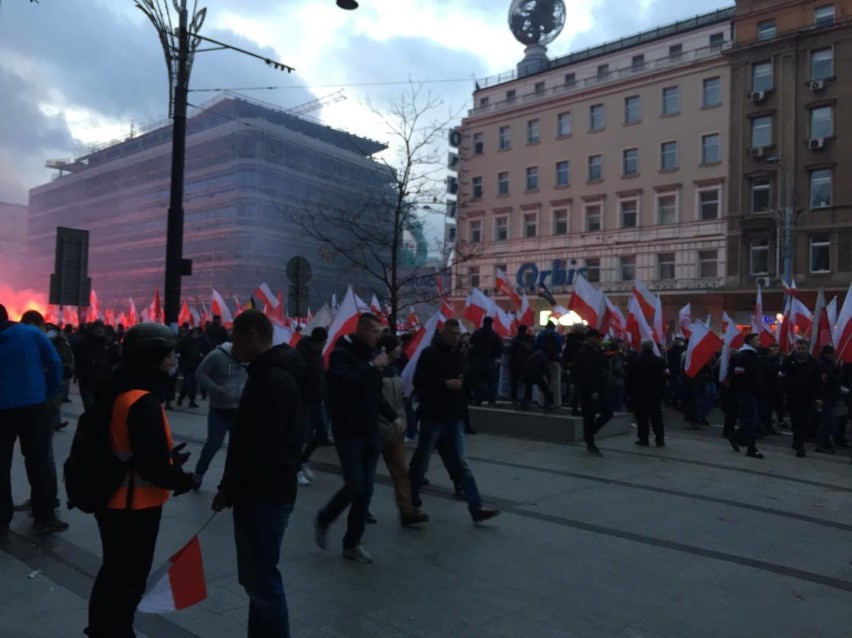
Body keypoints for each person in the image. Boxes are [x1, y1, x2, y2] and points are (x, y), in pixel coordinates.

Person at [86, 323, 195, 638]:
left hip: (116, 500)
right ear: (151, 357)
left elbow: (132, 448)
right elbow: (152, 466)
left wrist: (167, 455)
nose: (173, 359)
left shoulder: (124, 388)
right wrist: (182, 478)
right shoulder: (141, 400)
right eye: (168, 354)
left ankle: (103, 629)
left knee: (114, 572)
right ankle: (115, 631)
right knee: (128, 577)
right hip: (132, 503)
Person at [212, 310, 305, 637]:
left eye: (235, 336)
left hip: (264, 494)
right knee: (256, 577)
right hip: (264, 490)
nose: (232, 343)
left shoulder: (273, 379)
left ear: (251, 334)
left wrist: (233, 487)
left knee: (261, 578)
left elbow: (261, 445)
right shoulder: (268, 373)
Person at [314, 314, 391, 564]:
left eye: (380, 332)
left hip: (370, 430)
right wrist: (370, 366)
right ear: (362, 331)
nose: (379, 337)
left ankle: (352, 543)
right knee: (355, 485)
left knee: (366, 491)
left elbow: (374, 392)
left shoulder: (374, 352)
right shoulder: (341, 353)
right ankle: (325, 517)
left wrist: (391, 416)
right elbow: (344, 382)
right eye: (375, 332)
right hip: (348, 431)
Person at [409, 319, 501, 524]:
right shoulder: (429, 354)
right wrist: (444, 384)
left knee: (461, 464)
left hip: (453, 416)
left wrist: (465, 392)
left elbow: (466, 379)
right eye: (451, 333)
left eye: (458, 333)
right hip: (434, 415)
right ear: (442, 333)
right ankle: (411, 503)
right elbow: (419, 382)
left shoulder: (460, 355)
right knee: (421, 460)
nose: (455, 337)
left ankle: (475, 507)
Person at [0, 309, 67, 534]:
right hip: (33, 405)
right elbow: (55, 363)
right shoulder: (30, 333)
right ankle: (44, 516)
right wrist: (47, 392)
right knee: (39, 461)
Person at [376, 334, 430, 526]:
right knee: (365, 474)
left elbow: (400, 400)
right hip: (377, 427)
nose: (401, 349)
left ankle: (406, 510)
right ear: (389, 349)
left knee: (401, 471)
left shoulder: (395, 369)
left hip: (395, 427)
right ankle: (361, 508)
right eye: (397, 347)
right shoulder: (376, 369)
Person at [191, 339, 248, 490]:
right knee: (213, 445)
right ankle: (198, 475)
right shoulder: (216, 356)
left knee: (238, 448)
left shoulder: (247, 359)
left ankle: (231, 480)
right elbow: (200, 373)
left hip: (239, 410)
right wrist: (216, 388)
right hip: (219, 410)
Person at [296, 327, 332, 486]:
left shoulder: (318, 354)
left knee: (323, 433)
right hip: (304, 402)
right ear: (321, 341)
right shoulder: (302, 354)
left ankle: (302, 460)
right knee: (301, 438)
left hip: (318, 401)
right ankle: (296, 469)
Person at [572, 328, 613, 456]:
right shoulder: (584, 352)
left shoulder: (596, 350)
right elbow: (585, 373)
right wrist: (592, 389)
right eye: (596, 337)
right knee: (589, 417)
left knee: (607, 412)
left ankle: (591, 433)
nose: (598, 339)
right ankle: (590, 442)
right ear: (589, 337)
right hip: (589, 390)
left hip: (599, 388)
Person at [780, 338, 819, 458]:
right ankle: (798, 443)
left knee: (803, 421)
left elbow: (816, 381)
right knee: (795, 420)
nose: (800, 351)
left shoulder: (813, 362)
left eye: (803, 348)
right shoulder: (789, 360)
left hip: (807, 397)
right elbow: (782, 376)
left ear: (807, 349)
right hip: (792, 396)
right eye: (798, 348)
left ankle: (799, 443)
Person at [729, 334, 765, 459]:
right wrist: (743, 389)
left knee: (751, 419)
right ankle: (751, 447)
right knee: (752, 419)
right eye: (757, 339)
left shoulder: (754, 355)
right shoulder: (743, 356)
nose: (760, 342)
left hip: (754, 392)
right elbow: (738, 376)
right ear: (750, 341)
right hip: (746, 393)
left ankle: (736, 436)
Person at [626, 340, 668, 447]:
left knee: (642, 418)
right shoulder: (660, 361)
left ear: (642, 347)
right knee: (656, 417)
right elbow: (665, 377)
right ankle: (660, 439)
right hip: (655, 393)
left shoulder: (636, 361)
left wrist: (629, 392)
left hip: (640, 393)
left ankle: (644, 439)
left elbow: (630, 378)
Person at [74, 319, 119, 411]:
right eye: (97, 328)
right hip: (88, 382)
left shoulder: (109, 344)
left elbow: (116, 359)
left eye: (102, 328)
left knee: (102, 408)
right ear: (93, 329)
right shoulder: (83, 344)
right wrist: (80, 373)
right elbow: (78, 359)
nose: (100, 330)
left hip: (104, 381)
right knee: (90, 408)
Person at [468, 317, 504, 405]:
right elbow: (499, 348)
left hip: (477, 360)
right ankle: (492, 400)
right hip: (489, 359)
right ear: (491, 323)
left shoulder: (477, 333)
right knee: (492, 380)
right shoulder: (494, 335)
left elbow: (471, 345)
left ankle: (477, 399)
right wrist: (496, 356)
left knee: (477, 380)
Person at [815, 345, 843, 454]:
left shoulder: (829, 364)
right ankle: (822, 443)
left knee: (829, 421)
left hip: (831, 397)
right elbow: (824, 381)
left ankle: (825, 441)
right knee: (826, 421)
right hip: (826, 397)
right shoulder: (823, 365)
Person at [177, 327, 206, 408]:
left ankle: (191, 401)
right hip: (187, 366)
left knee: (194, 385)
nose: (195, 336)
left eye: (196, 334)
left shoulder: (199, 342)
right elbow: (181, 352)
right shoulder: (185, 342)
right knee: (187, 384)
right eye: (194, 334)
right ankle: (181, 397)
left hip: (195, 366)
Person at [507, 325, 534, 404]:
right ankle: (528, 397)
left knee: (514, 382)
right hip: (527, 363)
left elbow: (511, 351)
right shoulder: (529, 339)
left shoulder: (515, 339)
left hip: (515, 363)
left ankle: (514, 398)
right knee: (528, 382)